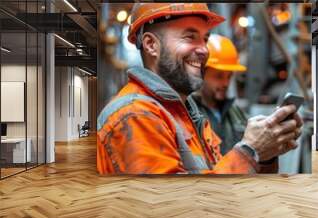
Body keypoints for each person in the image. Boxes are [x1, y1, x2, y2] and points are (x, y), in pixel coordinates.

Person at [97, 3, 303, 174]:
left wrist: (264, 155)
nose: (205, 49)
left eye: (205, 38)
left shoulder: (187, 115)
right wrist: (249, 150)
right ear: (151, 45)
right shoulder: (134, 116)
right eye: (190, 37)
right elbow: (174, 209)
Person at [189, 34, 280, 172]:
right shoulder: (189, 114)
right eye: (219, 76)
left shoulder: (236, 114)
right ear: (200, 73)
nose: (226, 83)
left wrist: (269, 155)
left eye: (229, 76)